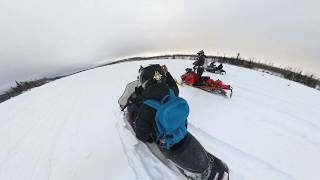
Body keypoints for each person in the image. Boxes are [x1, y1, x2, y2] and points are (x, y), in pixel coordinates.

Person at [128, 64, 182, 144]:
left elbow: (141, 135)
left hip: (162, 139)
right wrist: (167, 73)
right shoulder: (171, 92)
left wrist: (149, 139)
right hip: (177, 127)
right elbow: (174, 87)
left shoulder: (146, 106)